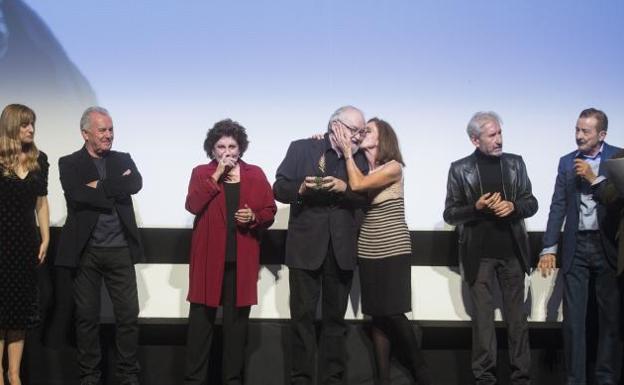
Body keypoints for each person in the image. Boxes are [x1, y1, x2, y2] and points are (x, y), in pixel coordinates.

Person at [273, 105, 368, 385]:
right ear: (335, 127)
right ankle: (301, 378)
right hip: (305, 246)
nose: (359, 136)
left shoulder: (361, 159)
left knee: (335, 321)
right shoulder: (302, 148)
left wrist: (344, 189)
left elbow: (365, 198)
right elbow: (279, 188)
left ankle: (333, 379)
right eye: (355, 130)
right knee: (301, 317)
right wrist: (301, 190)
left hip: (342, 248)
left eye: (362, 131)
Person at [333, 117, 432, 385]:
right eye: (362, 130)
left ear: (383, 137)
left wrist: (346, 154)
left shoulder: (393, 167)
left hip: (393, 244)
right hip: (368, 245)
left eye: (369, 130)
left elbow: (358, 186)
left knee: (394, 310)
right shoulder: (364, 167)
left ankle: (421, 372)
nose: (363, 133)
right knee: (376, 314)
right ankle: (383, 379)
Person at [443, 111, 536, 385]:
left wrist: (514, 207)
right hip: (479, 256)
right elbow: (450, 214)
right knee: (483, 324)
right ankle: (485, 379)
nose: (499, 140)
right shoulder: (460, 169)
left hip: (513, 254)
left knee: (517, 322)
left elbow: (531, 202)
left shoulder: (515, 164)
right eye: (492, 135)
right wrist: (476, 208)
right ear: (475, 140)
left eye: (500, 133)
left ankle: (522, 378)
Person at [184, 119, 276, 385]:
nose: (227, 151)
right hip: (207, 262)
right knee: (200, 328)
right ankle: (194, 380)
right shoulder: (202, 173)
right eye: (221, 146)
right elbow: (192, 204)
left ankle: (233, 380)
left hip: (241, 262)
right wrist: (216, 175)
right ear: (212, 150)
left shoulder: (255, 174)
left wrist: (254, 216)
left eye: (232, 146)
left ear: (240, 149)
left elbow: (269, 211)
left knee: (236, 332)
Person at [57, 106, 143, 385]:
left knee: (128, 316)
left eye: (111, 129)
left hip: (120, 249)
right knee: (86, 319)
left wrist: (99, 186)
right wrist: (115, 186)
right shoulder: (69, 163)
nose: (108, 135)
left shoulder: (123, 158)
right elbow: (76, 193)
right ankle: (89, 377)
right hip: (87, 252)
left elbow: (136, 183)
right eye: (102, 130)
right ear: (85, 133)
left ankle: (128, 375)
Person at [538, 108, 622, 385]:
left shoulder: (618, 157)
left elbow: (619, 200)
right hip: (577, 245)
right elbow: (558, 205)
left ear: (602, 134)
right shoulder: (566, 162)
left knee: (610, 319)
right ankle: (575, 379)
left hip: (608, 245)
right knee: (573, 321)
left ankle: (606, 378)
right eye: (577, 129)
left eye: (585, 131)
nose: (578, 136)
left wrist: (592, 177)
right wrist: (549, 247)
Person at [0, 103, 49, 385]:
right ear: (11, 126)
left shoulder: (38, 159)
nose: (31, 129)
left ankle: (14, 374)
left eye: (32, 124)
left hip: (25, 244)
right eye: (25, 124)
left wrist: (46, 236)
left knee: (19, 312)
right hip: (1, 244)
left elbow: (41, 202)